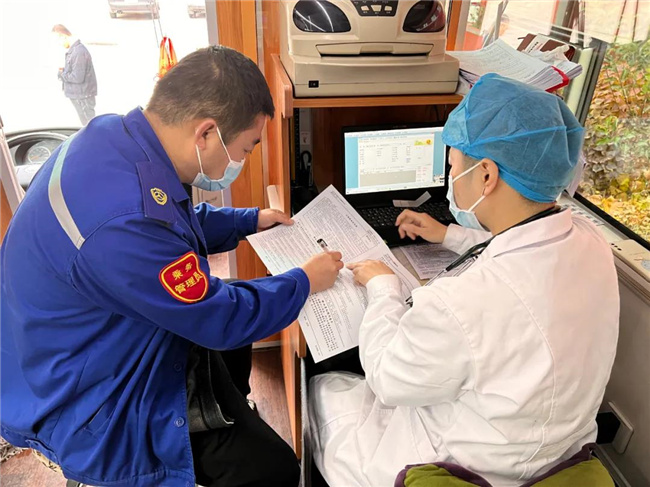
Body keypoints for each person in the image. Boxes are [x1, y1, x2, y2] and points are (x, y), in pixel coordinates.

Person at [1, 46, 344, 487]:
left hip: (71, 340)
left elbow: (168, 225)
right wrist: (303, 281)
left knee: (234, 335)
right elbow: (220, 317)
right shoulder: (122, 223)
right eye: (245, 148)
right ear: (206, 134)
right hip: (89, 394)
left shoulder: (114, 137)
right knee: (274, 469)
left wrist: (246, 221)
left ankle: (227, 412)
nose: (241, 162)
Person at [309, 73, 620, 487]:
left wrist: (384, 288)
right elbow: (517, 245)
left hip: (463, 465)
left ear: (487, 175)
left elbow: (387, 379)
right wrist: (448, 235)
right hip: (553, 449)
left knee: (322, 389)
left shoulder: (463, 303)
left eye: (452, 164)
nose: (450, 175)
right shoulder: (590, 240)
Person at [52, 24, 97, 126]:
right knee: (86, 125)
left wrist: (61, 75)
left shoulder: (78, 52)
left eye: (58, 41)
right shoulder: (74, 51)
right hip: (80, 95)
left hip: (83, 97)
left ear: (63, 36)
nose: (59, 44)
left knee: (89, 126)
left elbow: (77, 77)